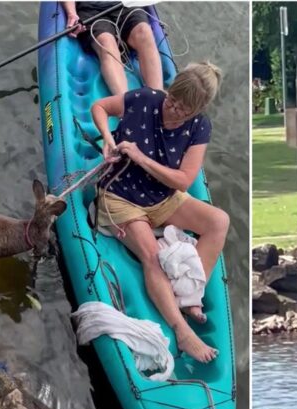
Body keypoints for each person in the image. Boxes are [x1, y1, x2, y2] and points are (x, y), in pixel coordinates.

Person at [90, 62, 228, 363]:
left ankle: (190, 297)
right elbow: (100, 106)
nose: (173, 111)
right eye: (172, 101)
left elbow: (183, 181)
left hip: (162, 197)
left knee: (219, 221)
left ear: (196, 111)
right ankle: (182, 331)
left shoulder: (199, 127)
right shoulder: (143, 99)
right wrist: (108, 140)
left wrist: (140, 157)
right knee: (152, 255)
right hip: (119, 195)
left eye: (182, 110)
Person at [63, 1, 163, 96]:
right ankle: (126, 104)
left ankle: (157, 98)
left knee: (144, 32)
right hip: (89, 9)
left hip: (126, 5)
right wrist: (72, 13)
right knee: (106, 42)